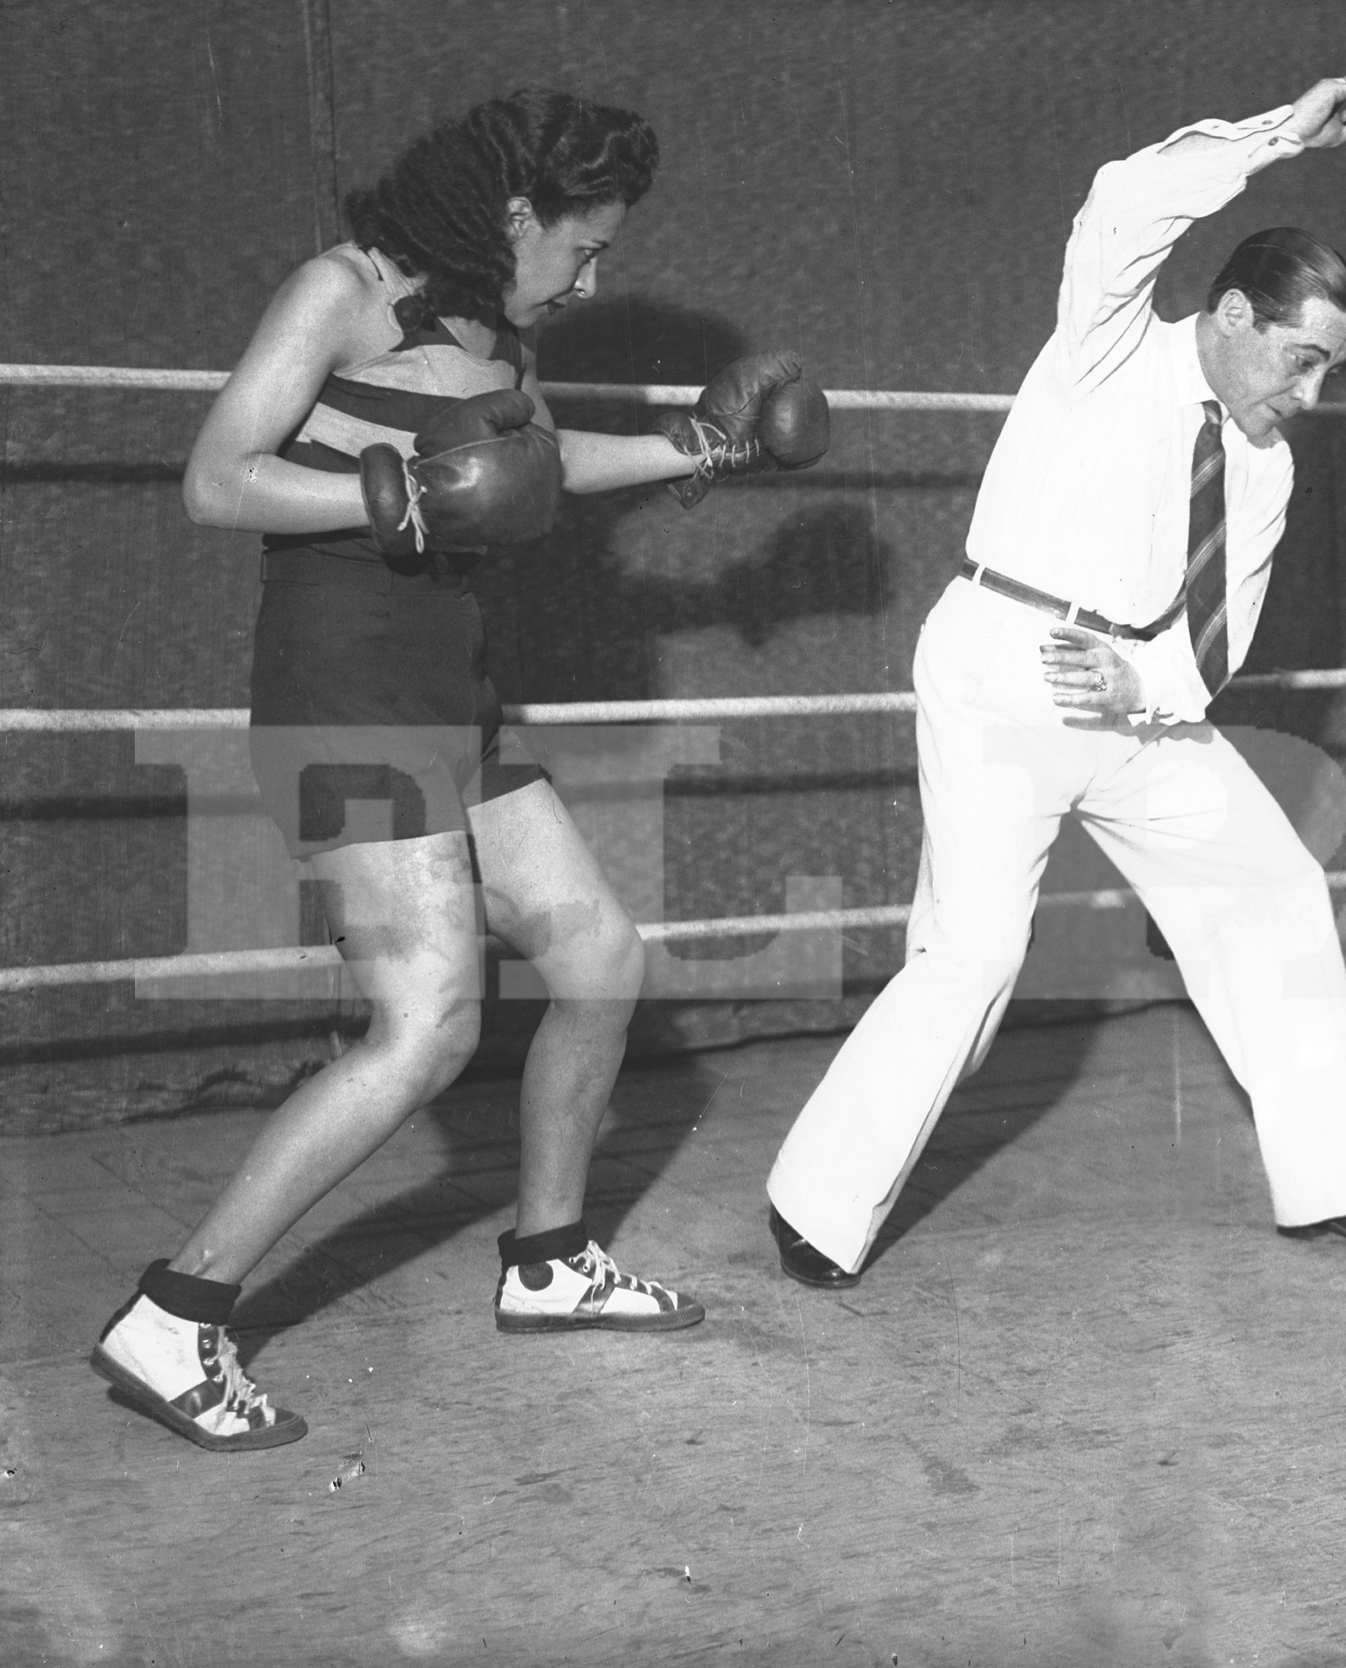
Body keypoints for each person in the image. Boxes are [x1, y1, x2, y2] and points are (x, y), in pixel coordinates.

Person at [91, 88, 830, 1452]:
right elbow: (219, 479)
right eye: (582, 248)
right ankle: (174, 1314)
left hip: (452, 689)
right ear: (516, 214)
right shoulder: (341, 293)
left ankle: (548, 1261)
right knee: (427, 1023)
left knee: (597, 957)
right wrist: (404, 497)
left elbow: (536, 463)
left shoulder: (493, 330)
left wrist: (699, 447)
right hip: (342, 689)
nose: (590, 278)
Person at [761, 65, 1346, 1287]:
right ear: (1230, 314)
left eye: (1329, 372)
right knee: (973, 956)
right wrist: (1282, 135)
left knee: (1272, 884)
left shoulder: (1265, 459)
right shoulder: (1108, 344)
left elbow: (1224, 632)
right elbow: (1126, 199)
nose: (1309, 394)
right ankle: (815, 1208)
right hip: (1002, 671)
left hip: (1134, 699)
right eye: (1300, 359)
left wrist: (1146, 694)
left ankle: (1342, 1188)